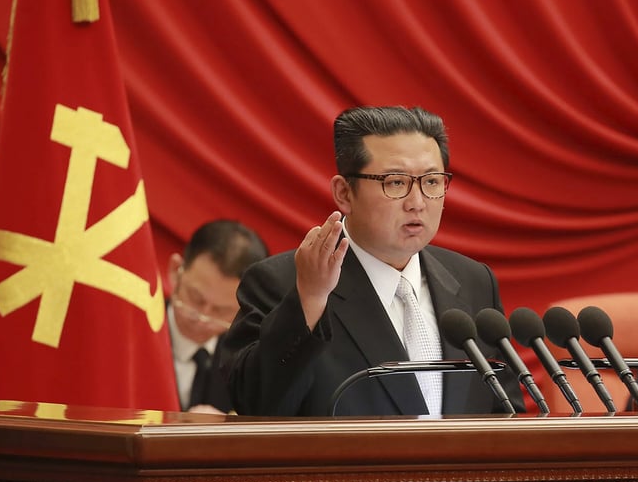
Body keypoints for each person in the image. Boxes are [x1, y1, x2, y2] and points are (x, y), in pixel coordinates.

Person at [215, 105, 526, 417]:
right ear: (344, 193)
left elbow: (506, 413)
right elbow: (256, 406)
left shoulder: (474, 281)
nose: (416, 203)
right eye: (395, 182)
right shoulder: (284, 283)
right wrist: (309, 301)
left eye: (431, 182)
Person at [167, 219, 269, 413]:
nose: (202, 318)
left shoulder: (250, 361)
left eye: (221, 311)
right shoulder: (129, 336)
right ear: (175, 271)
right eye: (195, 298)